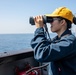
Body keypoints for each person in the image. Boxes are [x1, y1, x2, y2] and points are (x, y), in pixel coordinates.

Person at [30, 7, 76, 75]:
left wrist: (39, 29)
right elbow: (37, 45)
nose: (50, 23)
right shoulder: (58, 39)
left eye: (52, 20)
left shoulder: (69, 41)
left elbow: (41, 54)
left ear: (62, 22)